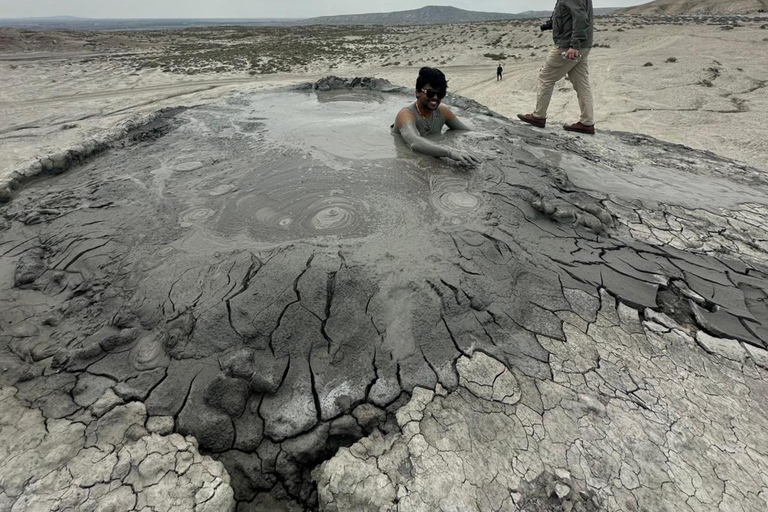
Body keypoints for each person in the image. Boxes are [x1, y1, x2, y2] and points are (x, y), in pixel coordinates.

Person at [518, 0, 595, 135]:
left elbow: (581, 18)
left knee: (546, 76)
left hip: (569, 45)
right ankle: (587, 123)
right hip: (582, 45)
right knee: (582, 83)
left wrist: (574, 45)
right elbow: (573, 16)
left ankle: (538, 116)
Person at [392, 67, 481, 166]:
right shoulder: (406, 114)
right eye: (430, 93)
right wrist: (450, 152)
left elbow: (465, 131)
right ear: (417, 92)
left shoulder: (442, 111)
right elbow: (414, 142)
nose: (435, 98)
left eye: (440, 94)